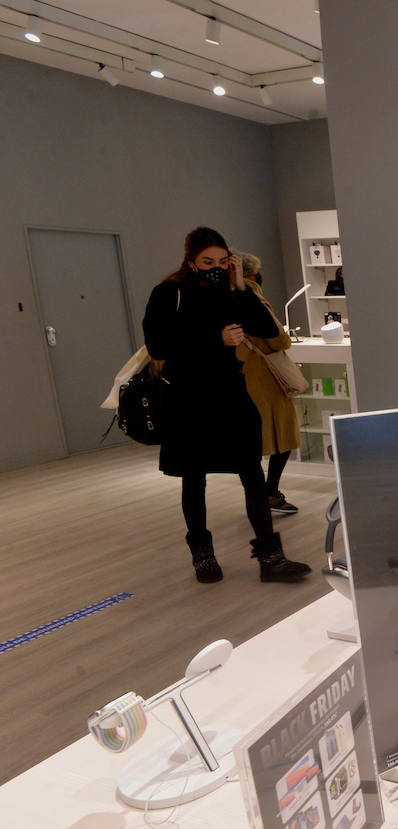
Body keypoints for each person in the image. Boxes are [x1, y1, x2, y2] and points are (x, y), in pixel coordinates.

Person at [143, 227, 312, 584]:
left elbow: (267, 328)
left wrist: (240, 287)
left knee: (252, 474)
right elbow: (158, 347)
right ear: (190, 260)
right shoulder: (169, 293)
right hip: (188, 398)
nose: (215, 268)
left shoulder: (232, 293)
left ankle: (271, 557)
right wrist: (213, 339)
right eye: (208, 262)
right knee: (194, 478)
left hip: (231, 394)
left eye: (223, 261)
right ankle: (202, 554)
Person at [234, 251, 302, 515]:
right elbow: (280, 340)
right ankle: (269, 493)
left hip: (238, 380)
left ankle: (258, 496)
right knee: (281, 437)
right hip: (265, 381)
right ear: (250, 274)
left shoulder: (217, 299)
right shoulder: (252, 298)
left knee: (246, 446)